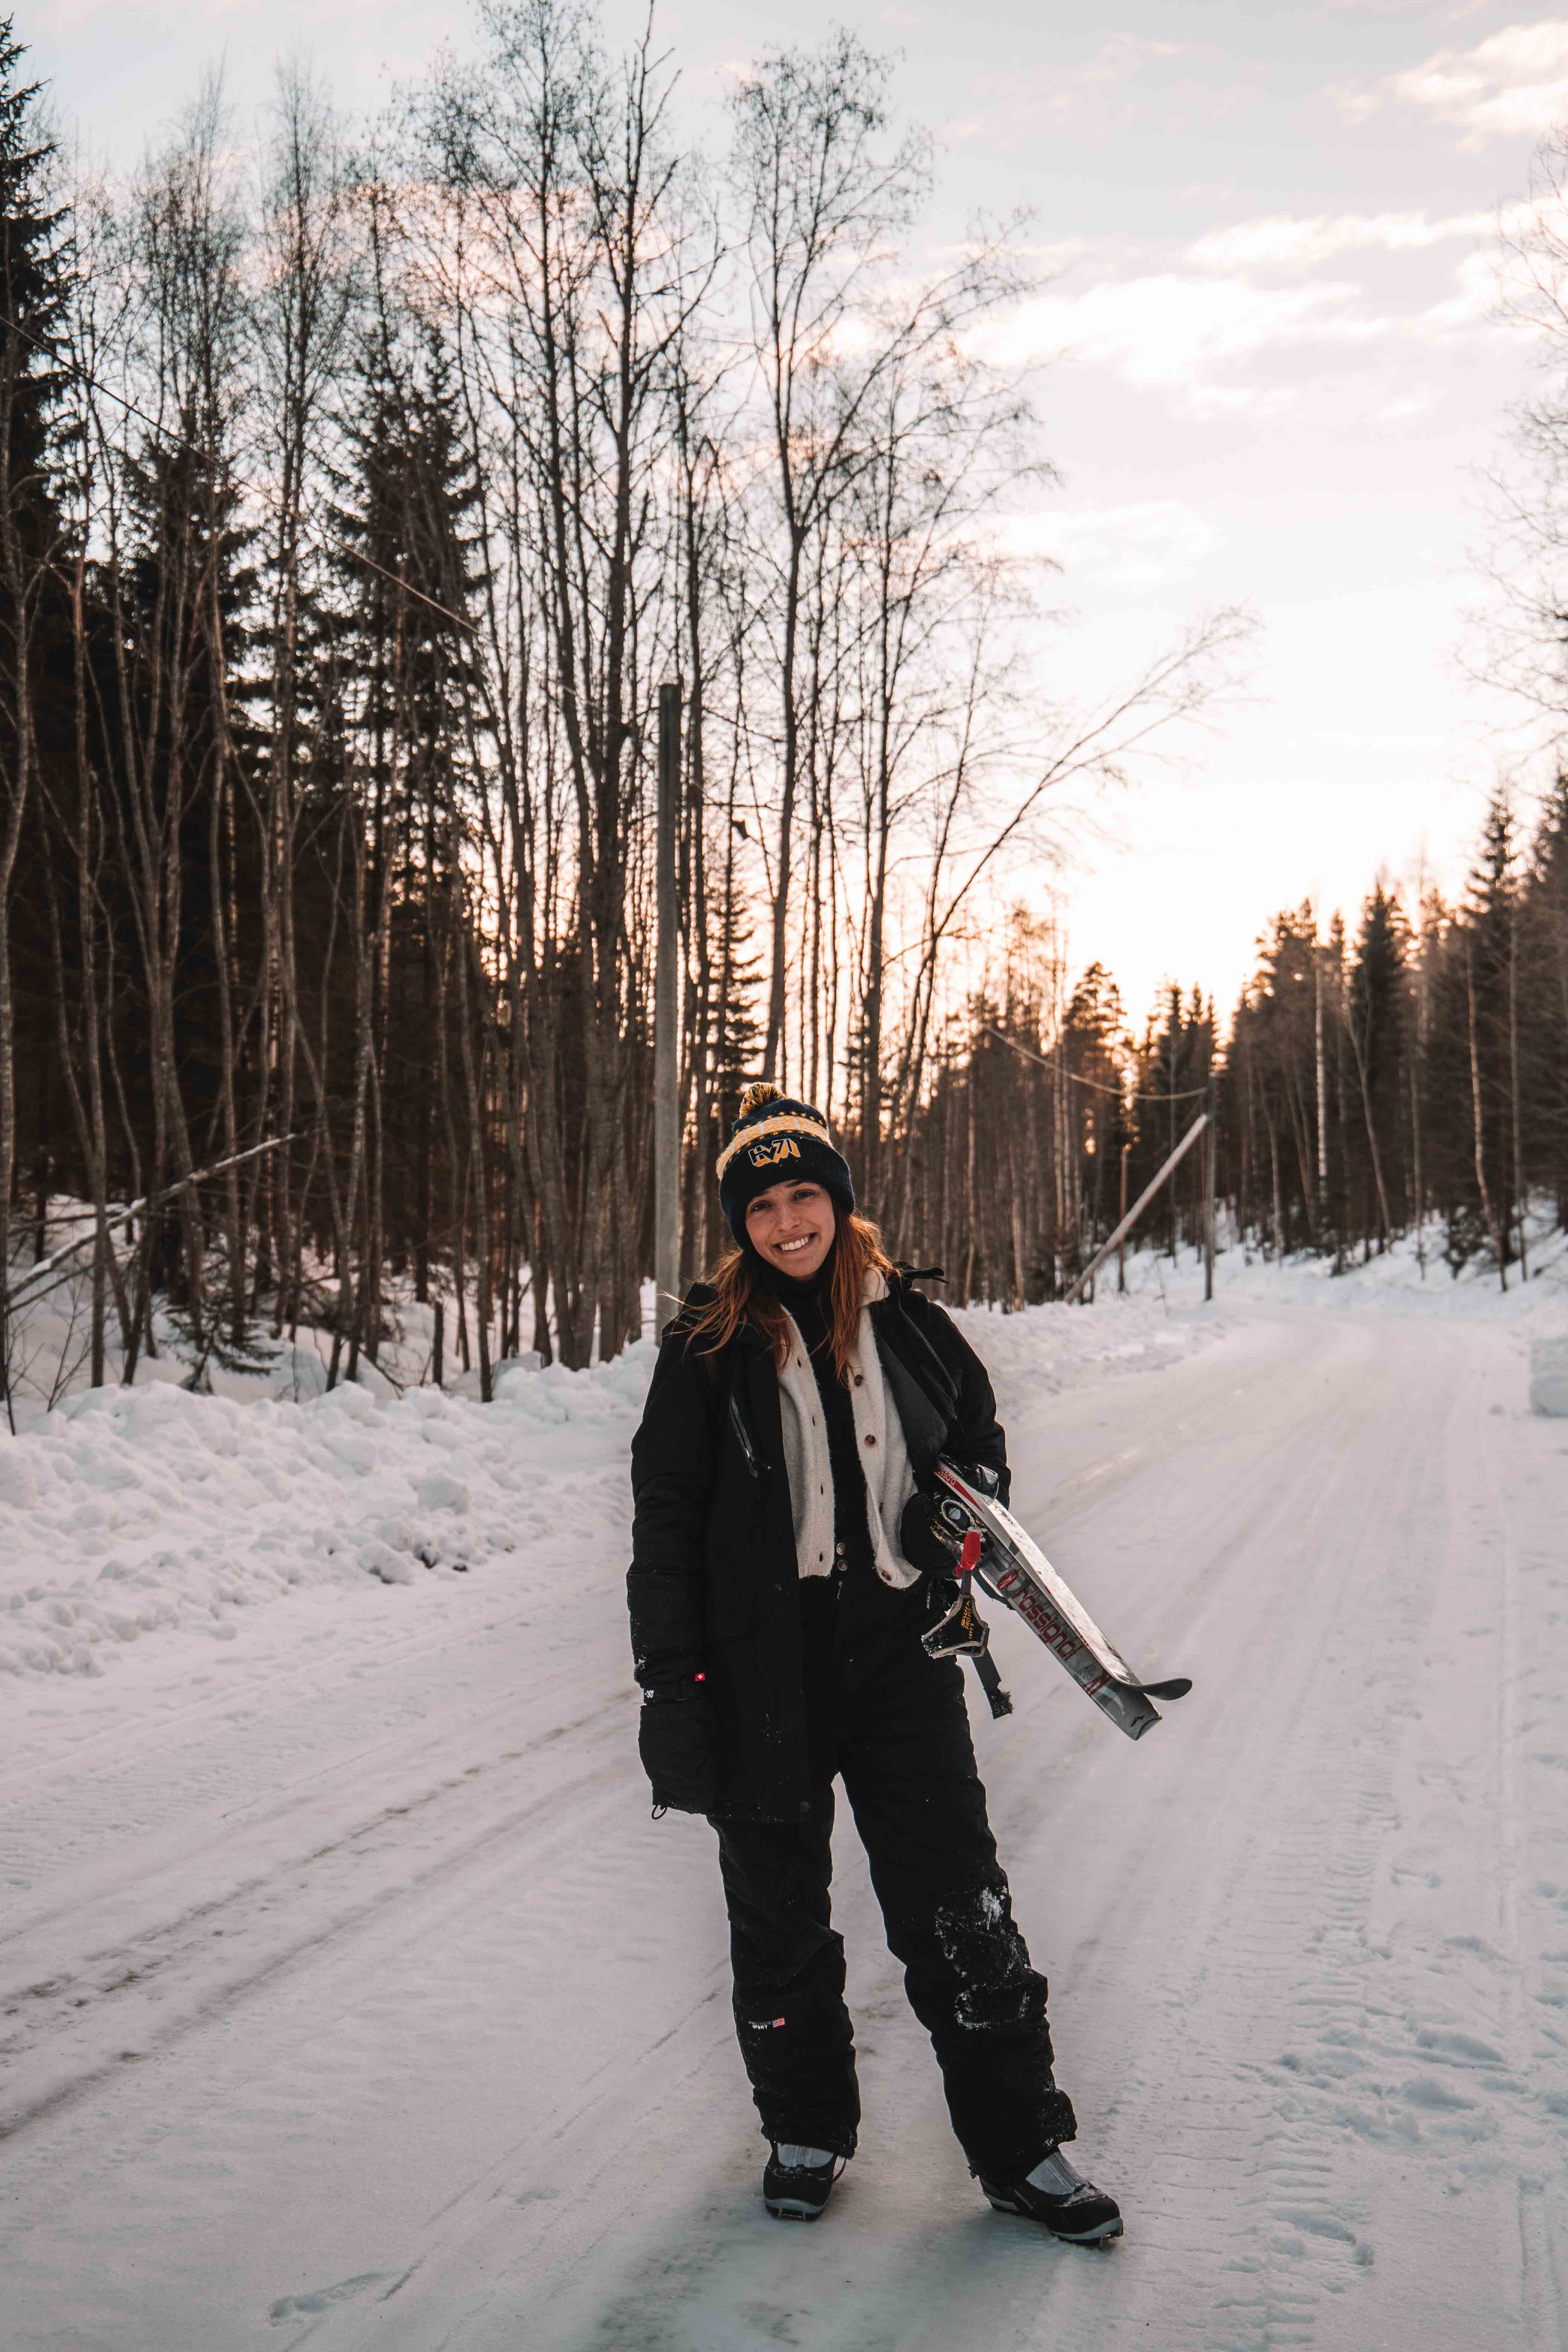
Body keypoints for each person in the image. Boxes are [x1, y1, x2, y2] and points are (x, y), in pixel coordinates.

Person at [626, 1083, 1122, 2242]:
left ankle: (1021, 2150)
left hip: (899, 1655)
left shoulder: (912, 1325)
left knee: (960, 1905)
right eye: (763, 1205)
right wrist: (672, 1688)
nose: (788, 1221)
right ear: (739, 1224)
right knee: (780, 1922)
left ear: (841, 1204)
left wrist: (966, 1513)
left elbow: (978, 1454)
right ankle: (806, 2131)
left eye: (807, 1195)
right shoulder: (703, 1349)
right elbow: (664, 1529)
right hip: (759, 1675)